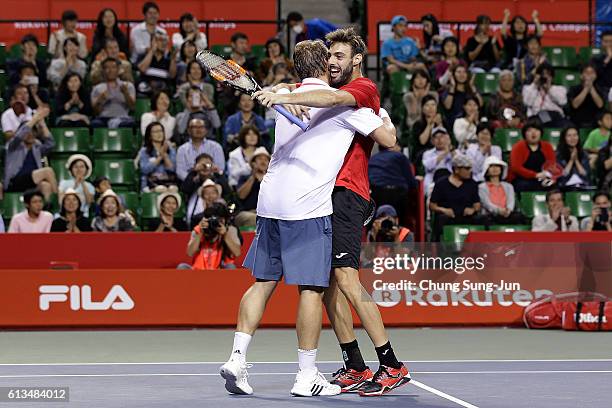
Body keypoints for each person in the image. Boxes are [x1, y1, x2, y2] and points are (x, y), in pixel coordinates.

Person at [228, 38, 401, 397]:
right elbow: (323, 96)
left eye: (341, 56)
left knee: (338, 282)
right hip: (313, 202)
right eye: (331, 57)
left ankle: (390, 364)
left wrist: (284, 94)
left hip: (338, 196)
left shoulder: (357, 91)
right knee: (323, 288)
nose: (336, 62)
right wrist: (287, 91)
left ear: (356, 60)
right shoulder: (312, 96)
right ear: (322, 65)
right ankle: (349, 365)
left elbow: (388, 137)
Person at [4, 107, 57, 201]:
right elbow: (18, 136)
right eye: (27, 132)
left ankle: (47, 210)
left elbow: (51, 144)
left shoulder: (37, 148)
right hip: (15, 181)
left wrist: (42, 123)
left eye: (33, 131)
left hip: (32, 182)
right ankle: (59, 204)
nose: (30, 134)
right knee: (47, 171)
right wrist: (34, 119)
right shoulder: (13, 146)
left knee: (46, 186)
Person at [429, 154, 486, 241]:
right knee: (441, 219)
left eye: (470, 168)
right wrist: (444, 210)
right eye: (467, 169)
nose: (470, 171)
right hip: (448, 216)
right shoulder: (441, 183)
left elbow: (477, 205)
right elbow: (432, 205)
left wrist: (473, 210)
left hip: (466, 216)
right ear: (456, 169)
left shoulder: (472, 184)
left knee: (482, 219)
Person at [368, 141, 418, 228]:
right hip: (397, 195)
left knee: (374, 222)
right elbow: (411, 183)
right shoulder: (400, 156)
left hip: (375, 195)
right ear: (391, 145)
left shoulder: (372, 158)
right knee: (400, 223)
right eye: (399, 145)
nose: (400, 148)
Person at [184, 203, 241, 269]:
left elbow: (237, 253)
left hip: (220, 270)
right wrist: (200, 233)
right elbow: (190, 253)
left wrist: (225, 235)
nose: (216, 222)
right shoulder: (199, 230)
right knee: (182, 267)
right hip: (199, 270)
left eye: (219, 219)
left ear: (225, 220)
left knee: (231, 267)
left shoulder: (230, 230)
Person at [181, 153, 230, 226]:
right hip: (195, 217)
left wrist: (218, 173)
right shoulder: (194, 178)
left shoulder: (217, 178)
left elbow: (227, 190)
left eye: (208, 164)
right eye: (201, 165)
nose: (204, 167)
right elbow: (185, 189)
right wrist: (194, 171)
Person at [508, 119, 556, 193]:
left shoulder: (547, 146)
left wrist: (547, 176)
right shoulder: (518, 146)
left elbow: (552, 165)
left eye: (536, 130)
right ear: (525, 134)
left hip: (542, 178)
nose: (533, 133)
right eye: (529, 130)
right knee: (525, 185)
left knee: (553, 187)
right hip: (522, 179)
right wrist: (535, 175)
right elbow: (516, 167)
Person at [478, 156, 526, 225]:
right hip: (491, 215)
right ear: (487, 170)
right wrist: (498, 210)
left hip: (507, 213)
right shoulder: (482, 187)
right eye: (491, 166)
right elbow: (486, 203)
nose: (495, 168)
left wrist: (508, 210)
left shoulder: (509, 186)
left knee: (519, 217)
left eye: (497, 166)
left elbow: (511, 201)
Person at [90, 58, 136, 128]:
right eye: (107, 68)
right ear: (103, 70)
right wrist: (100, 99)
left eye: (113, 67)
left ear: (118, 69)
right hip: (103, 119)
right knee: (95, 124)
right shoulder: (97, 88)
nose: (110, 70)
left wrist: (126, 94)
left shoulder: (128, 86)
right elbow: (96, 111)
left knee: (130, 123)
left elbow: (132, 107)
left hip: (123, 118)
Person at [522, 63, 568, 127]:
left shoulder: (560, 89)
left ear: (552, 77)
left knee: (568, 126)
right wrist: (535, 85)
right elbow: (527, 103)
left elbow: (563, 102)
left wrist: (549, 89)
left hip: (556, 115)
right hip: (538, 115)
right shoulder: (529, 88)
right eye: (542, 74)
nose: (545, 77)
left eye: (548, 75)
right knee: (544, 119)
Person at [235, 147, 270, 228]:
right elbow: (241, 195)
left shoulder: (272, 180)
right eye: (260, 159)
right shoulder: (245, 177)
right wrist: (253, 176)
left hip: (267, 214)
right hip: (246, 213)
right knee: (253, 218)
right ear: (253, 163)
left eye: (266, 160)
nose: (263, 161)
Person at [138, 121, 177, 192]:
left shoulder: (171, 150)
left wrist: (165, 155)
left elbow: (172, 169)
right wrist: (159, 157)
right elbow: (145, 170)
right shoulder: (144, 151)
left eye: (161, 131)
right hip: (150, 182)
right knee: (161, 189)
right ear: (149, 135)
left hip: (167, 181)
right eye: (155, 132)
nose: (159, 134)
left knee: (173, 189)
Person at [136, 31, 177, 96]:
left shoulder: (169, 60)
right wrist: (152, 50)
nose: (163, 43)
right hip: (145, 92)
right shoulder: (143, 56)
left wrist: (173, 59)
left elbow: (172, 75)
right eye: (159, 40)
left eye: (165, 40)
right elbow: (142, 69)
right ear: (152, 42)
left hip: (162, 93)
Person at [568, 64, 606, 129]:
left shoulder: (600, 89)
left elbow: (600, 105)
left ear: (596, 76)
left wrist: (591, 88)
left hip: (595, 123)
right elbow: (575, 105)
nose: (589, 75)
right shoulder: (574, 89)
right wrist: (586, 88)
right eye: (586, 72)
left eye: (592, 72)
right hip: (577, 122)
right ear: (581, 76)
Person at [556, 126, 592, 190]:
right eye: (569, 136)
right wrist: (571, 160)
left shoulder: (583, 154)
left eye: (575, 135)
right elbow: (562, 176)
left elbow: (586, 176)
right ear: (564, 138)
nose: (573, 138)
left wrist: (576, 160)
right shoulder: (558, 155)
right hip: (564, 187)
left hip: (582, 187)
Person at [409, 95, 442, 161]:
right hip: (423, 152)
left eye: (433, 105)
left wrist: (439, 124)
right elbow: (422, 142)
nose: (431, 108)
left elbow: (444, 139)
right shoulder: (418, 124)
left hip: (440, 150)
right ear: (422, 109)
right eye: (427, 105)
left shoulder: (442, 122)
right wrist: (429, 125)